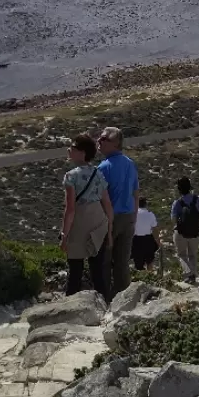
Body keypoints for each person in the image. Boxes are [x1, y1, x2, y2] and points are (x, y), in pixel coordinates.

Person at [61, 134, 113, 297]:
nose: (69, 150)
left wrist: (64, 235)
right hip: (98, 223)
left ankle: (70, 307)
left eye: (73, 148)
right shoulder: (98, 173)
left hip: (79, 225)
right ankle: (104, 305)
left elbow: (70, 209)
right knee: (97, 271)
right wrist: (109, 231)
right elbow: (107, 204)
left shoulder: (70, 176)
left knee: (75, 270)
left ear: (82, 153)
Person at [97, 125, 138, 298]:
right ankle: (124, 298)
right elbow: (136, 193)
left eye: (104, 139)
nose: (99, 140)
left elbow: (98, 199)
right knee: (122, 262)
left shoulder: (103, 167)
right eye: (99, 137)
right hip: (128, 218)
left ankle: (105, 298)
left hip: (110, 220)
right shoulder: (130, 163)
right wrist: (134, 219)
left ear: (115, 144)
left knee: (104, 262)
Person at [171, 176, 199, 282]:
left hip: (181, 233)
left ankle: (188, 273)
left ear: (179, 189)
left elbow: (173, 219)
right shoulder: (198, 200)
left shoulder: (177, 203)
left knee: (181, 254)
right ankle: (193, 275)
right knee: (193, 255)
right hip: (195, 232)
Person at [131, 193, 160, 271]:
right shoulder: (150, 215)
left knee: (138, 263)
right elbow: (155, 229)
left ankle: (142, 278)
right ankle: (150, 277)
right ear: (145, 204)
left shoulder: (134, 214)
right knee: (149, 261)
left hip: (136, 240)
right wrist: (158, 241)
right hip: (148, 239)